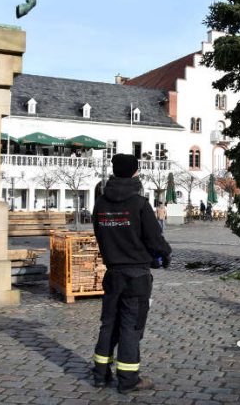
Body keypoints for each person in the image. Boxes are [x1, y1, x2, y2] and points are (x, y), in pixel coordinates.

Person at [92, 154, 172, 394]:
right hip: (136, 275)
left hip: (113, 272)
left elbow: (99, 234)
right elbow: (155, 239)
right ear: (135, 173)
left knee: (108, 324)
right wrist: (164, 254)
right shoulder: (139, 204)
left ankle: (100, 374)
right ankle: (128, 379)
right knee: (131, 326)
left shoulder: (100, 204)